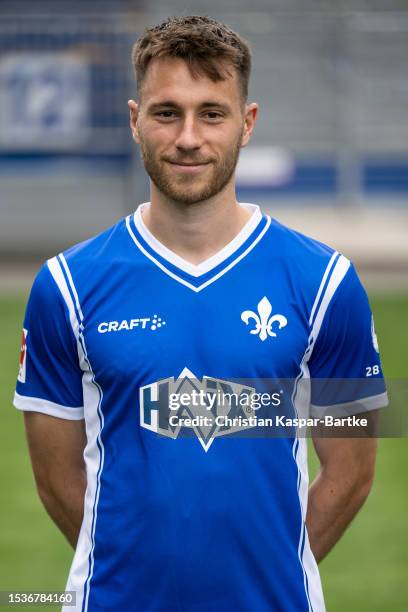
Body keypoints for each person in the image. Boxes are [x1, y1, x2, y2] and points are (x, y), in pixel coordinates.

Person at [14, 15, 388, 612]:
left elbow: (352, 469)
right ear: (136, 121)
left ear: (247, 123)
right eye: (167, 113)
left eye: (212, 113)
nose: (189, 137)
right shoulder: (66, 286)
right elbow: (59, 484)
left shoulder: (326, 282)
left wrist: (266, 567)